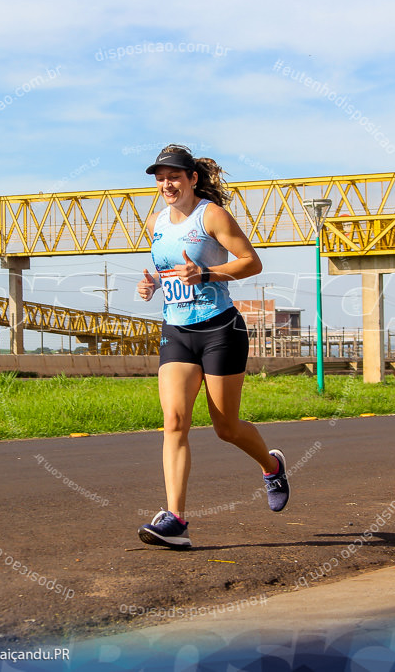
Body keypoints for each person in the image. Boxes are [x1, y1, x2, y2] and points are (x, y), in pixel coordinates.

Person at [135, 144, 288, 549]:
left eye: (174, 177)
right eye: (160, 177)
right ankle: (176, 520)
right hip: (176, 330)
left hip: (220, 329)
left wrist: (206, 272)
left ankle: (271, 466)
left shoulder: (212, 215)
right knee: (174, 422)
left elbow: (251, 262)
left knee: (226, 427)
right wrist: (152, 284)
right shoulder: (157, 222)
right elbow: (169, 271)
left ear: (192, 179)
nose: (167, 184)